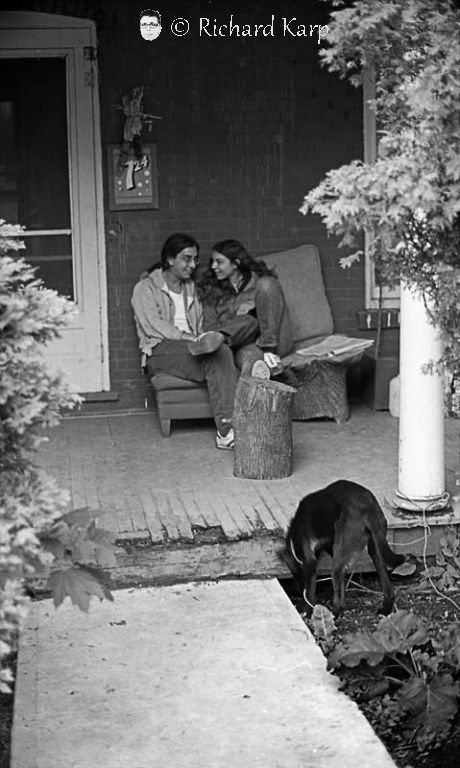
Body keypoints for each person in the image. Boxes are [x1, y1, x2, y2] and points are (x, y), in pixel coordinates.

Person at [131, 233, 260, 450]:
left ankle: (220, 339)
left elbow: (203, 321)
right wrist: (189, 337)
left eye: (195, 259)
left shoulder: (193, 289)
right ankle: (228, 431)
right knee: (220, 354)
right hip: (161, 348)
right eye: (187, 258)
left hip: (197, 344)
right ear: (170, 259)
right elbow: (153, 325)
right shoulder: (145, 288)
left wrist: (207, 335)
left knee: (237, 335)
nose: (193, 265)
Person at [196, 239, 293, 377]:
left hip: (276, 339)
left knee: (265, 287)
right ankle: (266, 371)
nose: (213, 266)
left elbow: (273, 307)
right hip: (242, 344)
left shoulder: (259, 281)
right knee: (251, 362)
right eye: (212, 261)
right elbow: (209, 327)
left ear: (235, 263)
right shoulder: (211, 290)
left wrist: (249, 309)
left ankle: (268, 350)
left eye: (219, 262)